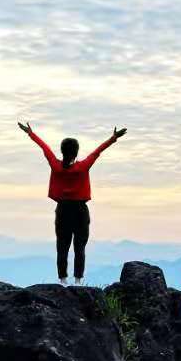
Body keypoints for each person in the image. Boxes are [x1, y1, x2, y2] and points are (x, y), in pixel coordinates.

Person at [18, 121, 127, 285]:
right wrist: (113, 138)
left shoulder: (56, 166)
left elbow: (45, 149)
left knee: (62, 246)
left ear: (62, 151)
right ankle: (78, 281)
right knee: (79, 247)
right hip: (80, 211)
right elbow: (97, 152)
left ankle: (63, 280)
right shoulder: (82, 167)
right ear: (76, 152)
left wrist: (31, 133)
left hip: (62, 210)